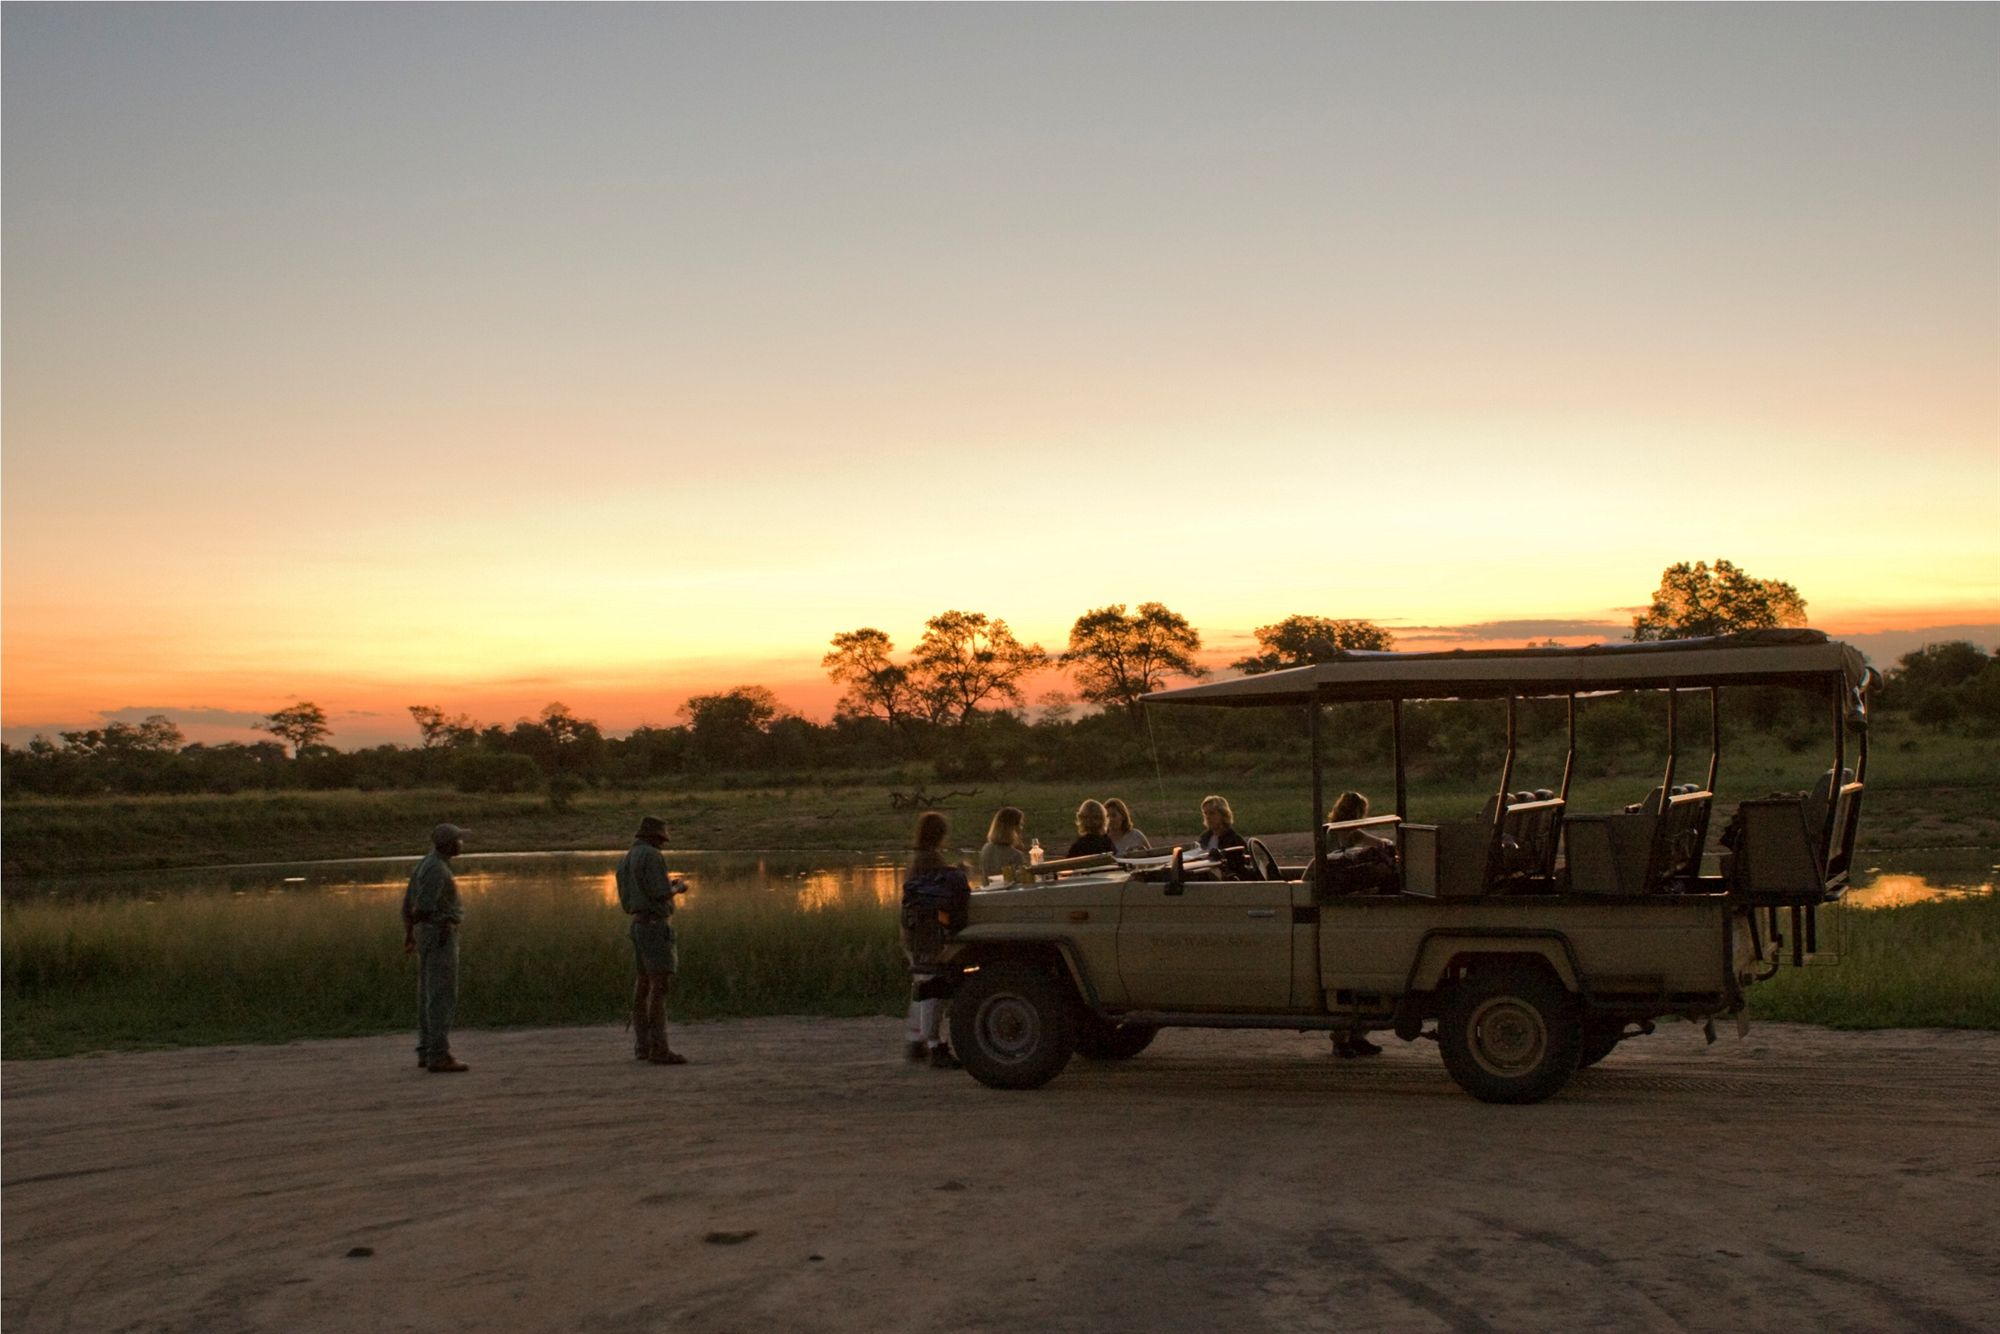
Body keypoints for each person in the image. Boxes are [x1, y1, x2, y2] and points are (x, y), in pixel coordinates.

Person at [1321, 792, 1390, 1058]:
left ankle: (1354, 1037)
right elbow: (1368, 841)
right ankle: (1343, 1039)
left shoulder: (1337, 830)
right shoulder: (1342, 832)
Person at [617, 815, 689, 1065]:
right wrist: (678, 888)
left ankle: (643, 1046)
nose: (662, 845)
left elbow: (633, 896)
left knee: (643, 984)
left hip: (637, 925)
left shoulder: (626, 859)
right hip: (655, 927)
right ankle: (660, 1049)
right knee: (660, 986)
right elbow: (659, 894)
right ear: (655, 837)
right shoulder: (653, 856)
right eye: (661, 839)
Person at [902, 811, 969, 1069]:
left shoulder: (917, 858)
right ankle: (935, 1045)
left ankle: (916, 1039)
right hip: (928, 932)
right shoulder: (931, 859)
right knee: (934, 987)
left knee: (922, 984)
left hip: (913, 929)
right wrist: (960, 871)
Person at [402, 823, 470, 1073]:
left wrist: (410, 934)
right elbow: (423, 907)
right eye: (458, 840)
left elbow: (407, 905)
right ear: (448, 844)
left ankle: (426, 1049)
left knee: (428, 994)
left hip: (429, 934)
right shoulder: (437, 870)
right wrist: (437, 927)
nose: (461, 844)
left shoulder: (425, 864)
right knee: (441, 995)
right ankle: (438, 1055)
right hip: (439, 935)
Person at [1197, 795, 1252, 878]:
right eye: (1205, 813)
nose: (1208, 817)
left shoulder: (1235, 841)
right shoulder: (1204, 838)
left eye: (1212, 813)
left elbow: (1240, 870)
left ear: (1223, 814)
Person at [979, 806, 1030, 881]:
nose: (1021, 828)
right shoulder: (1015, 855)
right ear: (1012, 827)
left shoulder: (985, 848)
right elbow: (1023, 880)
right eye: (1020, 824)